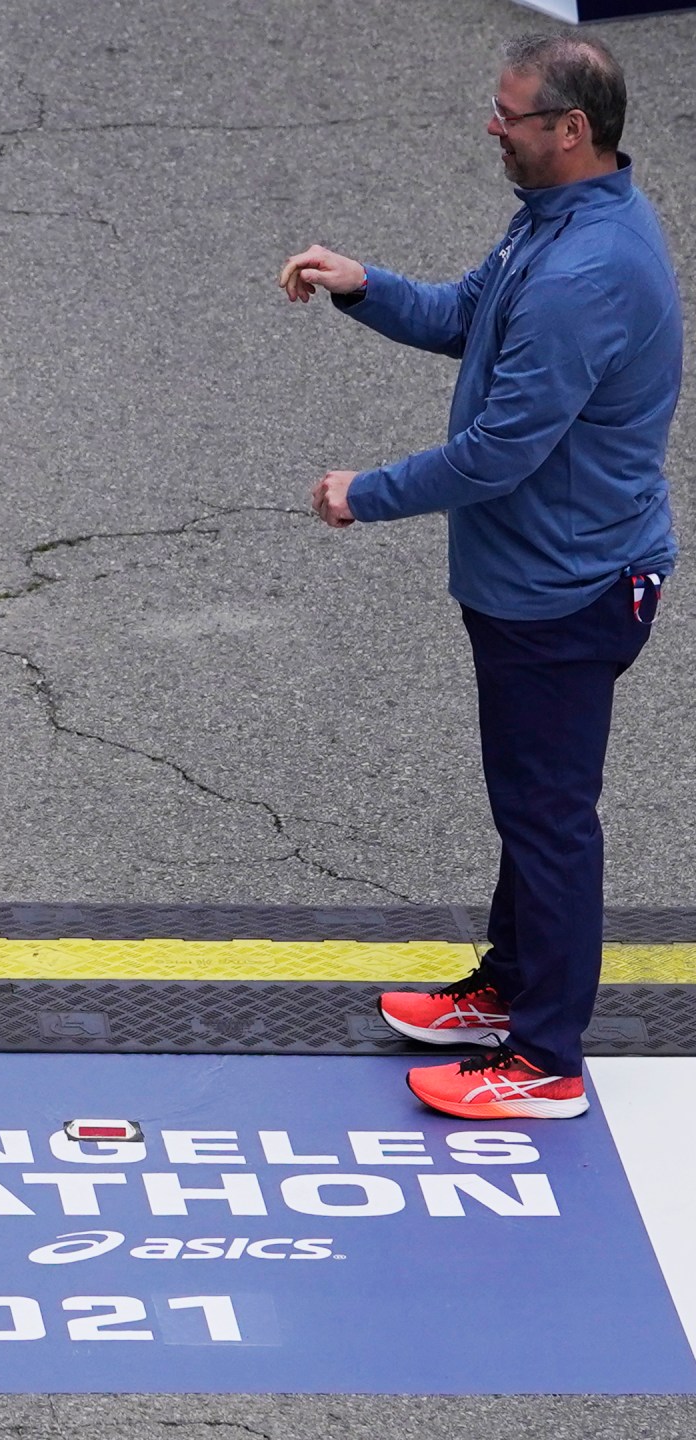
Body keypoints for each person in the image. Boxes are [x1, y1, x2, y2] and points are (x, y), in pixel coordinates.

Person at [279, 34, 676, 1120]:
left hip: (565, 590)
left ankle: (542, 1060)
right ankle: (506, 988)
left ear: (571, 129)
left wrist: (366, 490)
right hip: (535, 579)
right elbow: (469, 316)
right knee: (529, 805)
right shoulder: (554, 222)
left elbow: (503, 448)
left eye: (509, 115)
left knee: (549, 819)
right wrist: (366, 287)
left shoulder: (584, 271)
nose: (489, 126)